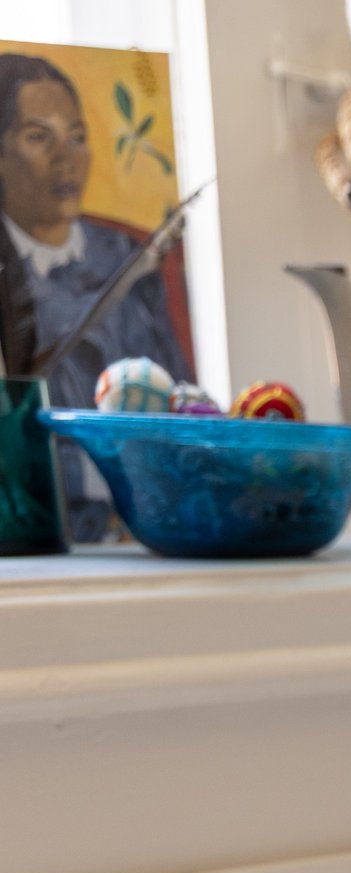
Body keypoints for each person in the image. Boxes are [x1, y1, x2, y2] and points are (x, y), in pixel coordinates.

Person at [0, 51, 190, 540]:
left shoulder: (130, 260)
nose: (67, 158)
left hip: (138, 530)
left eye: (77, 137)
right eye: (39, 136)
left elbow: (180, 402)